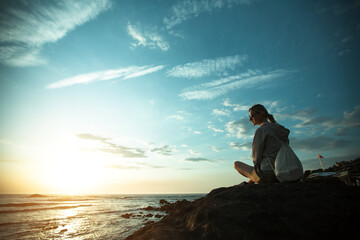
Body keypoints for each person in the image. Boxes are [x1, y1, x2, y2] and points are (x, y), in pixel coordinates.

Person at [234, 104, 290, 184]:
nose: (250, 119)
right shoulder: (280, 129)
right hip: (285, 171)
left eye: (252, 116)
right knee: (256, 171)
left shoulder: (261, 130)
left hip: (270, 174)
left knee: (236, 164)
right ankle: (250, 182)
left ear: (261, 114)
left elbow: (256, 158)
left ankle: (249, 183)